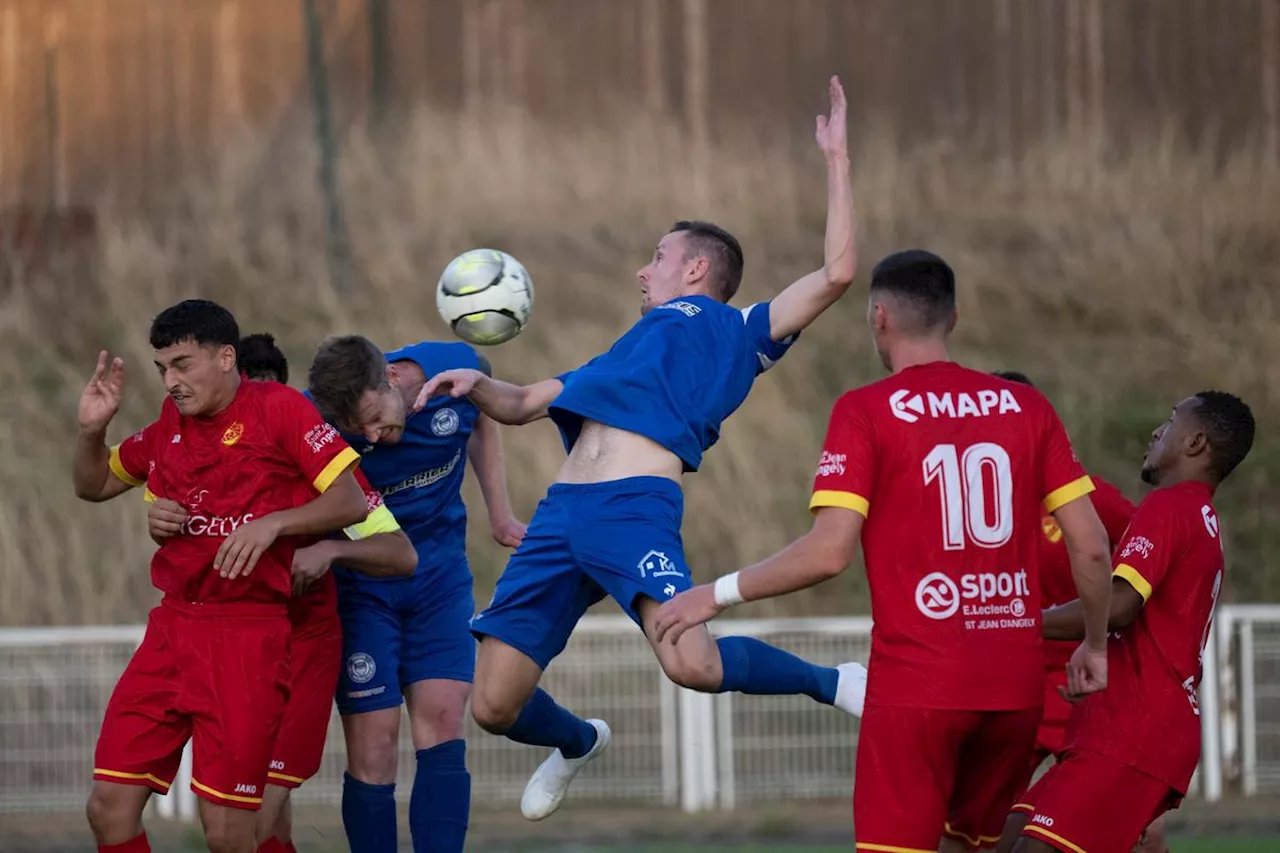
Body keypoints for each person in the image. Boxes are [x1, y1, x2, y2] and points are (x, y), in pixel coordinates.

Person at [417, 75, 863, 822]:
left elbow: (839, 273)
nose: (641, 269)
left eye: (656, 256)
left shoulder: (737, 331)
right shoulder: (620, 352)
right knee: (491, 702)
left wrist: (838, 161)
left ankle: (832, 679)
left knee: (690, 660)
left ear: (695, 269)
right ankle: (579, 741)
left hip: (632, 511)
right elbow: (525, 401)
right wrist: (473, 382)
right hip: (561, 515)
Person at [654, 250, 1116, 852]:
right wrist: (1097, 644)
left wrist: (712, 595)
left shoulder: (867, 411)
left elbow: (828, 553)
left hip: (917, 690)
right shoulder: (1027, 407)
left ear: (879, 317)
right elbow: (1092, 546)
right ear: (954, 319)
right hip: (1015, 689)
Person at [73, 300, 371, 853]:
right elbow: (92, 486)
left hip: (247, 638)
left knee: (230, 833)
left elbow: (350, 501)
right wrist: (93, 432)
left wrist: (274, 525)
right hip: (172, 629)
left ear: (227, 357)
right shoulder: (168, 426)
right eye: (163, 368)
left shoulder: (279, 410)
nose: (172, 381)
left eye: (183, 364)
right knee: (107, 809)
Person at [145, 333, 419, 853]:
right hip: (231, 661)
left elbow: (402, 553)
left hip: (302, 651)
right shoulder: (193, 452)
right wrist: (155, 513)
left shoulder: (317, 464)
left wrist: (329, 552)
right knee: (251, 827)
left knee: (254, 819)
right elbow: (116, 475)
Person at [305, 334, 526, 853]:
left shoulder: (453, 370)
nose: (373, 437)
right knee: (375, 744)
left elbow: (484, 413)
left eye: (373, 416)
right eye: (356, 430)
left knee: (445, 720)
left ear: (391, 376)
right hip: (361, 592)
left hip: (440, 581)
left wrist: (500, 510)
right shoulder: (314, 424)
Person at [1009, 391, 1254, 853]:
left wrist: (1012, 622)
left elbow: (1119, 604)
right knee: (1004, 840)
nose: (1157, 430)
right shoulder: (1197, 515)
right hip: (1123, 729)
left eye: (1170, 420)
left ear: (1196, 442)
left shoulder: (1169, 507)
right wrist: (1095, 649)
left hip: (1135, 733)